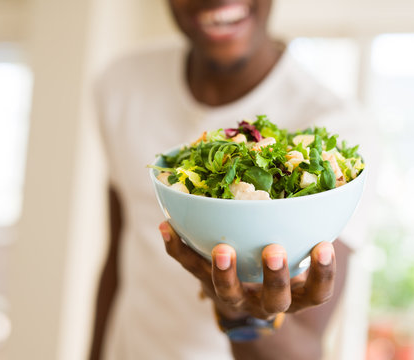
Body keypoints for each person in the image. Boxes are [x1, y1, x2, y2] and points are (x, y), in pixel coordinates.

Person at [90, 1, 369, 359]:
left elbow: (305, 347)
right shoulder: (120, 85)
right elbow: (116, 259)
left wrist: (241, 314)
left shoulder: (339, 127)